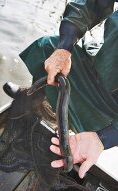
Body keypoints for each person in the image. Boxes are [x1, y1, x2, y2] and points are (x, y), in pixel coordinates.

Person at [19, 0, 118, 179]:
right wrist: (65, 48)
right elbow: (92, 3)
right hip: (103, 67)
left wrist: (104, 138)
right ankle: (41, 103)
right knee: (48, 47)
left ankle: (82, 126)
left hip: (114, 108)